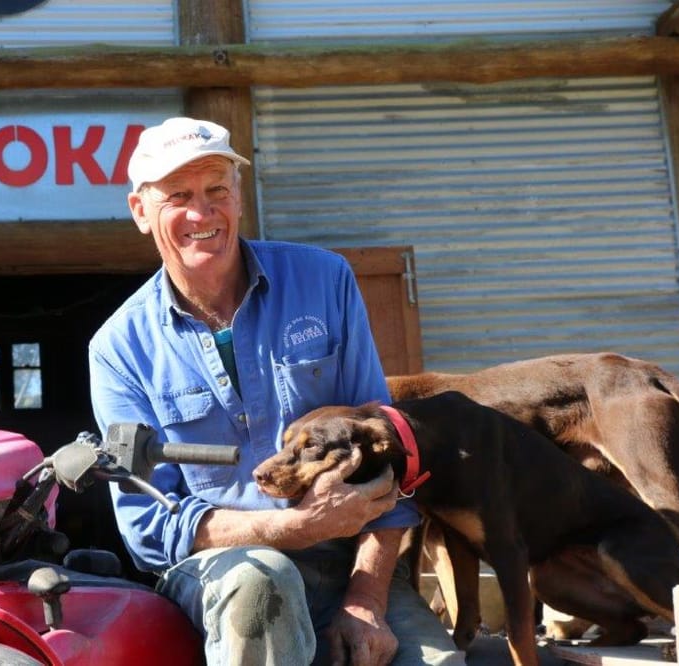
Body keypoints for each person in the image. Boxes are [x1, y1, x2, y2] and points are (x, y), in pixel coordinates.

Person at [88, 116, 465, 665]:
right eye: (178, 197)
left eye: (218, 189)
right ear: (140, 211)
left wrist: (366, 599)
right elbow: (150, 528)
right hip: (221, 577)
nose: (202, 213)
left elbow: (386, 454)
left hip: (346, 565)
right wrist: (289, 528)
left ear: (239, 196)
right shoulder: (118, 349)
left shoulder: (324, 281)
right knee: (263, 579)